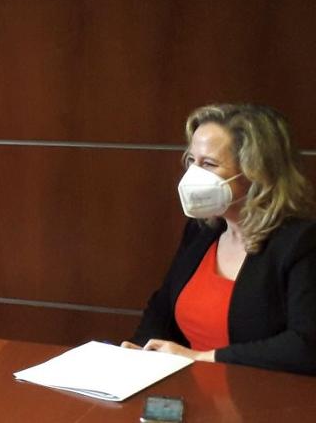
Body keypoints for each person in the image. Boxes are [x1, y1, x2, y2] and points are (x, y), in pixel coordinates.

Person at [124, 104, 316, 375]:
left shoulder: (300, 242)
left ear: (256, 173)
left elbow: (305, 346)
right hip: (186, 391)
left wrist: (201, 357)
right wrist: (139, 354)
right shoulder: (202, 231)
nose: (193, 174)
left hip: (264, 399)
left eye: (209, 164)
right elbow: (162, 308)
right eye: (192, 161)